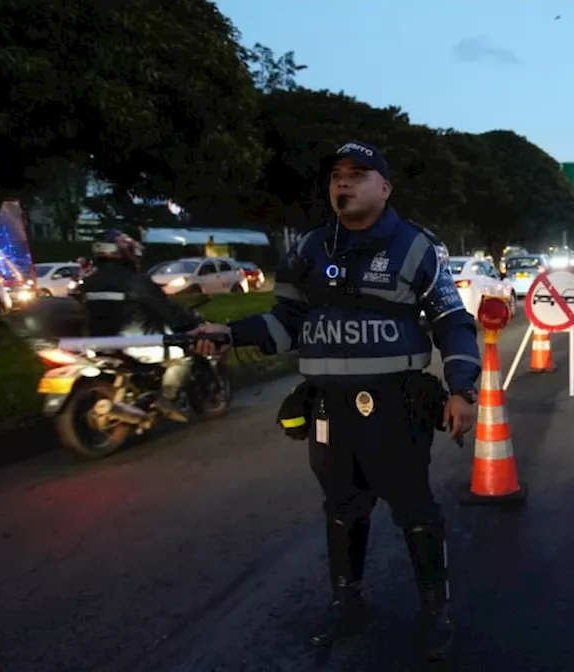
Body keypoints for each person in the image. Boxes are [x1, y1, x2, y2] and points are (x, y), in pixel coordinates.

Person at [189, 141, 481, 662]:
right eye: (336, 176)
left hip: (398, 405)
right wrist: (229, 332)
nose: (342, 184)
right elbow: (286, 324)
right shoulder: (309, 249)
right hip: (329, 408)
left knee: (415, 511)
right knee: (342, 511)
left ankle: (435, 610)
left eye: (357, 174)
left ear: (385, 187)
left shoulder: (417, 247)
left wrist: (462, 390)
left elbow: (451, 322)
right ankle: (347, 601)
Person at [81, 229, 200, 421]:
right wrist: (191, 321)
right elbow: (166, 309)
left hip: (97, 342)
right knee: (183, 356)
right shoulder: (136, 281)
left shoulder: (89, 282)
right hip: (134, 342)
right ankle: (166, 399)